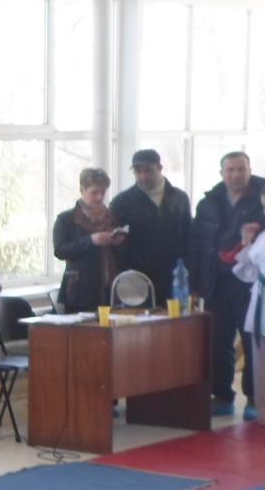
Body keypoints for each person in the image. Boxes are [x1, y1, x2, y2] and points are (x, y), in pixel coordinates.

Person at [188, 152, 265, 419]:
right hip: (215, 282)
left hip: (250, 286)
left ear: (250, 170)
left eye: (241, 169)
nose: (235, 174)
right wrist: (194, 282)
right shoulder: (209, 202)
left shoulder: (261, 198)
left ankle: (255, 397)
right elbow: (196, 244)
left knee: (253, 342)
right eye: (230, 170)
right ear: (222, 173)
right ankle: (221, 394)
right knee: (218, 341)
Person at [110, 148, 192, 305]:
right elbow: (113, 242)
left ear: (160, 168)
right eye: (137, 172)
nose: (142, 176)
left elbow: (189, 235)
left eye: (148, 171)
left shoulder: (179, 198)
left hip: (174, 277)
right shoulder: (122, 201)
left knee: (175, 320)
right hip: (137, 279)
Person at [52, 167, 126, 313]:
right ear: (82, 190)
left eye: (103, 192)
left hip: (112, 290)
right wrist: (91, 241)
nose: (99, 197)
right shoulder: (66, 219)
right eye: (94, 192)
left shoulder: (112, 218)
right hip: (80, 292)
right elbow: (60, 251)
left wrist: (119, 242)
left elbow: (122, 255)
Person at [232, 191, 265, 422]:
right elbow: (249, 272)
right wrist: (247, 242)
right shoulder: (262, 237)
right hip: (260, 302)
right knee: (260, 361)